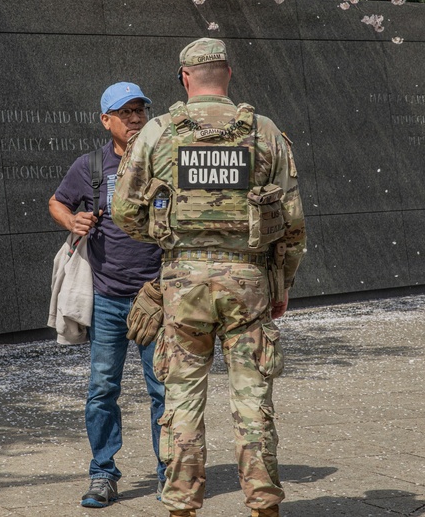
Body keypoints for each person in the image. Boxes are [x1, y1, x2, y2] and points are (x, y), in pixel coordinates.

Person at [112, 38, 306, 517]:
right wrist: (281, 283)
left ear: (184, 77)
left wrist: (165, 238)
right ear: (229, 74)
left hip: (183, 282)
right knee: (252, 400)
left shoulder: (157, 132)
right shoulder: (263, 132)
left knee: (180, 398)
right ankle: (263, 506)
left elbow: (123, 210)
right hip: (249, 279)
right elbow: (293, 222)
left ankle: (181, 506)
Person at [48, 82, 166, 508]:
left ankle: (169, 472)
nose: (135, 118)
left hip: (158, 297)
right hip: (108, 297)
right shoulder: (91, 165)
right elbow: (57, 202)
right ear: (106, 120)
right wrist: (72, 221)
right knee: (102, 389)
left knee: (164, 392)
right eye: (126, 112)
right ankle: (102, 474)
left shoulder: (165, 158)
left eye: (141, 110)